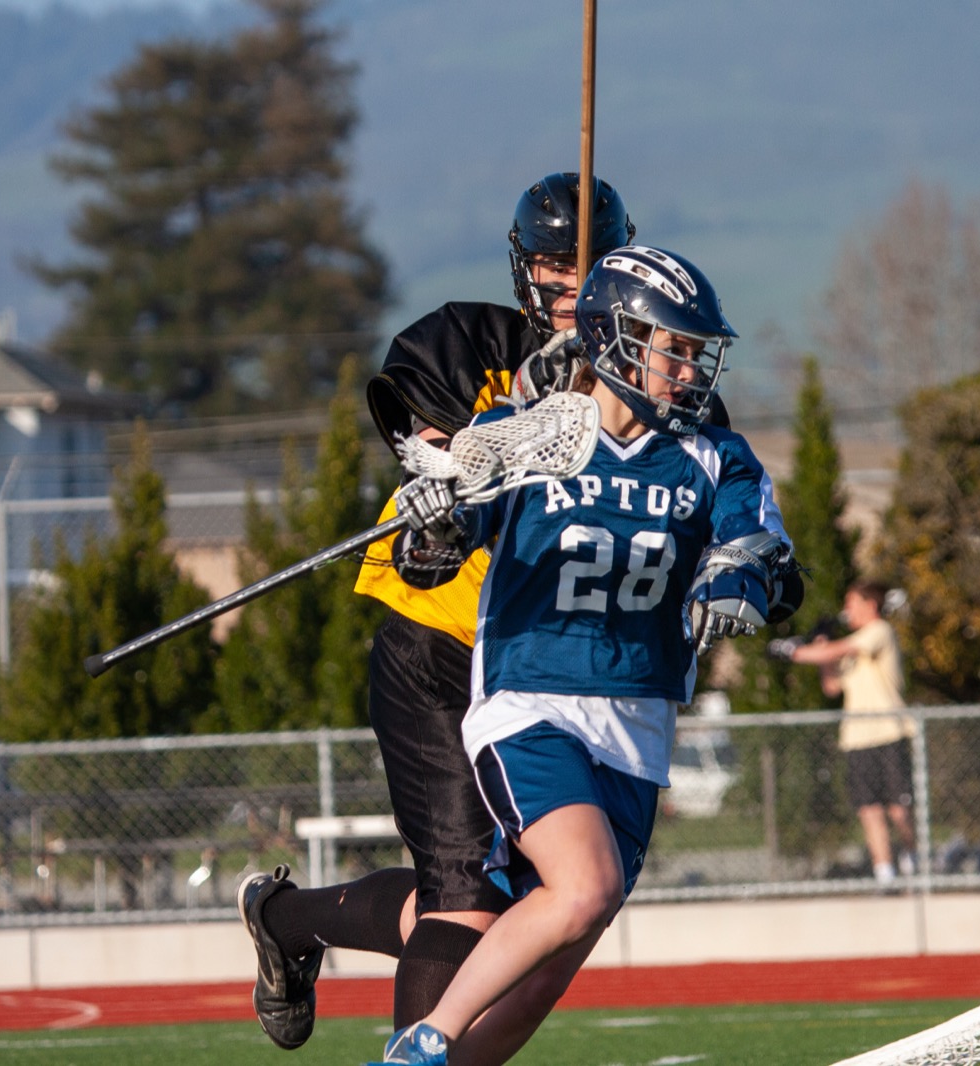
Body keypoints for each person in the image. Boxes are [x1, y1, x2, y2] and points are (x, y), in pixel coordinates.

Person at [367, 245, 800, 1066]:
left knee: (547, 971)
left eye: (695, 351)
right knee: (585, 886)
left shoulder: (714, 456)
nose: (688, 368)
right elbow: (433, 559)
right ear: (614, 338)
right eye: (672, 346)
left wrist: (740, 574)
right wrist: (435, 514)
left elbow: (769, 558)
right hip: (534, 702)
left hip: (637, 725)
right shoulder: (520, 436)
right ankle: (423, 1044)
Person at [235, 172, 637, 1057]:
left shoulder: (649, 385)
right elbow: (435, 467)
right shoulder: (464, 343)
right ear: (525, 271)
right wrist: (536, 401)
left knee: (491, 902)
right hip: (444, 641)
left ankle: (287, 917)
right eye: (556, 273)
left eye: (592, 271)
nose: (573, 294)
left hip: (553, 669)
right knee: (462, 901)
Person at [768, 581, 917, 886]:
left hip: (889, 732)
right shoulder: (852, 644)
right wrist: (821, 648)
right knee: (869, 809)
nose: (847, 611)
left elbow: (841, 649)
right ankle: (884, 873)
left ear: (870, 606)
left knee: (899, 808)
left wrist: (793, 652)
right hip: (857, 737)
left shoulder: (878, 632)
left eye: (852, 603)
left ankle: (914, 862)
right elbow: (832, 686)